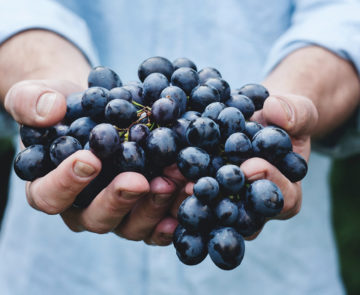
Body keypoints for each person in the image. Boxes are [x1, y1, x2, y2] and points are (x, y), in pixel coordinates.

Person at [0, 0, 359, 294]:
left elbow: (344, 15)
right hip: (57, 275)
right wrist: (47, 83)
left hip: (277, 278)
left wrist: (296, 99)